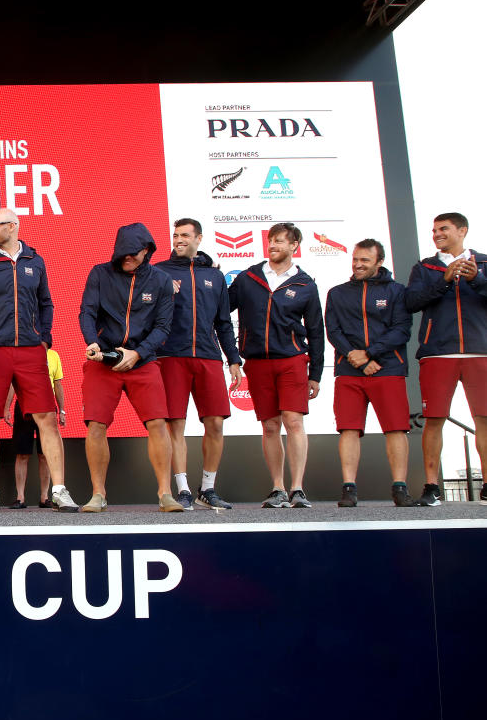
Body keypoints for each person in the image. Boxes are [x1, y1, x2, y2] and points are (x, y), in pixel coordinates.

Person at [0, 208, 76, 513]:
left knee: (47, 419)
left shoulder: (34, 261)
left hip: (30, 350)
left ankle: (60, 490)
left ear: (13, 226)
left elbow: (46, 302)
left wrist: (44, 338)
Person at [79, 222, 181, 513]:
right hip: (104, 360)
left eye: (133, 254)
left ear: (147, 250)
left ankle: (165, 493)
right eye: (122, 254)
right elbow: (87, 312)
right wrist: (92, 343)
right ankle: (98, 494)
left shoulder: (161, 280)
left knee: (157, 423)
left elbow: (163, 327)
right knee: (96, 425)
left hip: (143, 360)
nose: (127, 259)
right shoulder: (100, 273)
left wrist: (138, 353)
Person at [229, 222, 325, 508]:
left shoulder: (306, 284)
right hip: (257, 362)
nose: (273, 246)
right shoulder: (248, 278)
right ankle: (277, 488)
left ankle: (297, 489)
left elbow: (317, 331)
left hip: (292, 360)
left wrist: (316, 373)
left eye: (280, 241)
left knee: (293, 422)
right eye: (271, 240)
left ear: (294, 246)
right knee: (270, 426)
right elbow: (221, 310)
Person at [154, 217, 242, 510]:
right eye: (175, 235)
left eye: (184, 235)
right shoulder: (160, 273)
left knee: (215, 423)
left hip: (207, 356)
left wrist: (233, 359)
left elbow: (224, 322)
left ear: (198, 238)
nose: (178, 240)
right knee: (175, 425)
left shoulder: (215, 277)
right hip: (171, 357)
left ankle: (208, 488)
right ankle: (183, 490)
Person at [405, 212, 487, 506]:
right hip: (438, 353)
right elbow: (411, 302)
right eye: (434, 229)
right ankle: (431, 487)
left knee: (484, 420)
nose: (437, 233)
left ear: (462, 230)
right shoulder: (425, 267)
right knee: (434, 419)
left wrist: (476, 278)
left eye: (444, 229)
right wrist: (445, 278)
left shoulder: (485, 262)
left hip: (481, 352)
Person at [326, 238, 413, 507]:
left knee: (396, 429)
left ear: (379, 262)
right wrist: (361, 360)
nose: (358, 264)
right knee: (348, 429)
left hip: (388, 368)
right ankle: (349, 488)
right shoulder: (337, 292)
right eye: (355, 259)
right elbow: (334, 331)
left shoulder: (397, 291)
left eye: (364, 260)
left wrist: (371, 354)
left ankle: (400, 487)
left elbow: (401, 330)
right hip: (350, 371)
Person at [5, 348, 66, 509]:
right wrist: (6, 408)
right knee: (22, 453)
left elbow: (58, 383)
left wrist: (62, 410)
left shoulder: (53, 355)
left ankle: (45, 497)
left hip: (47, 404)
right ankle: (20, 497)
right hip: (24, 404)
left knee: (44, 455)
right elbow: (13, 384)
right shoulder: (22, 352)